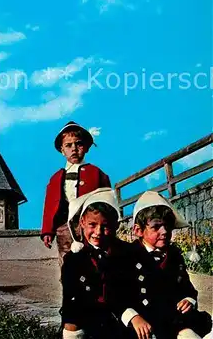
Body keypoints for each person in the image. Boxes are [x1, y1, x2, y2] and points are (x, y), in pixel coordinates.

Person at [115, 191, 212, 339]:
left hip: (175, 320)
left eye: (167, 226)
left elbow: (186, 287)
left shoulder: (174, 254)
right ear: (138, 230)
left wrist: (189, 300)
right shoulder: (127, 256)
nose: (164, 232)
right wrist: (133, 317)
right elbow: (117, 295)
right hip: (144, 324)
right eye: (156, 227)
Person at [61, 187, 129, 339]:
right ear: (82, 222)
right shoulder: (73, 259)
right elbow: (72, 301)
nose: (98, 232)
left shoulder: (126, 253)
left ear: (116, 226)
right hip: (88, 317)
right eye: (92, 225)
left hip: (121, 314)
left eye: (105, 227)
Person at [41, 121, 111, 264]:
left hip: (90, 225)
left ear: (86, 147)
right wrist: (47, 231)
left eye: (78, 144)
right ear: (62, 150)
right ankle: (68, 285)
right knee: (67, 261)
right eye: (68, 145)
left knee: (93, 259)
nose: (74, 149)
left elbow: (108, 202)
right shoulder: (55, 178)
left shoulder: (97, 174)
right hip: (64, 226)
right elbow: (49, 206)